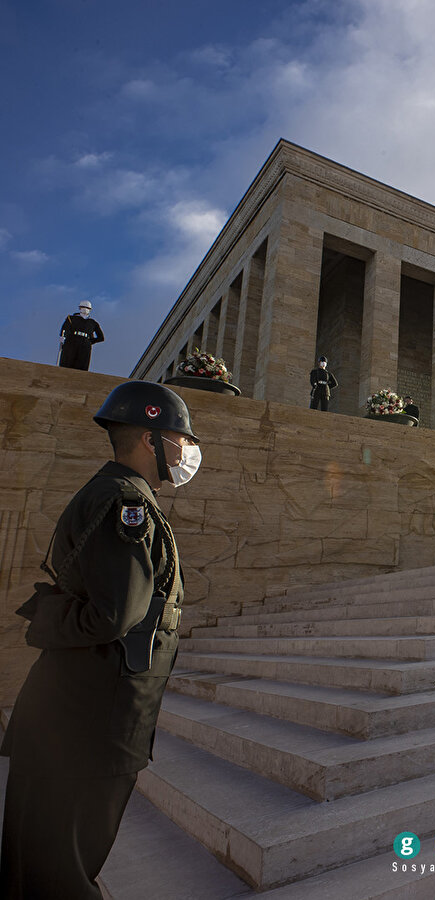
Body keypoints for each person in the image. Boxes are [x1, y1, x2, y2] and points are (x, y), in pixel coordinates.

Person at [0, 381, 200, 900]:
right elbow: (117, 615)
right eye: (182, 438)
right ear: (150, 439)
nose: (187, 450)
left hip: (78, 715)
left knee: (45, 860)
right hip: (91, 720)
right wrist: (45, 622)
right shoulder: (124, 502)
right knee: (63, 868)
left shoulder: (117, 495)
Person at [59, 300, 104, 371]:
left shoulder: (93, 323)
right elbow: (64, 329)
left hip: (85, 346)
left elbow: (101, 337)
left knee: (81, 366)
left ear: (90, 309)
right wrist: (63, 337)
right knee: (67, 363)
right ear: (80, 308)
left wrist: (89, 341)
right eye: (83, 307)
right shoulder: (71, 318)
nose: (85, 309)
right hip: (71, 343)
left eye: (87, 308)